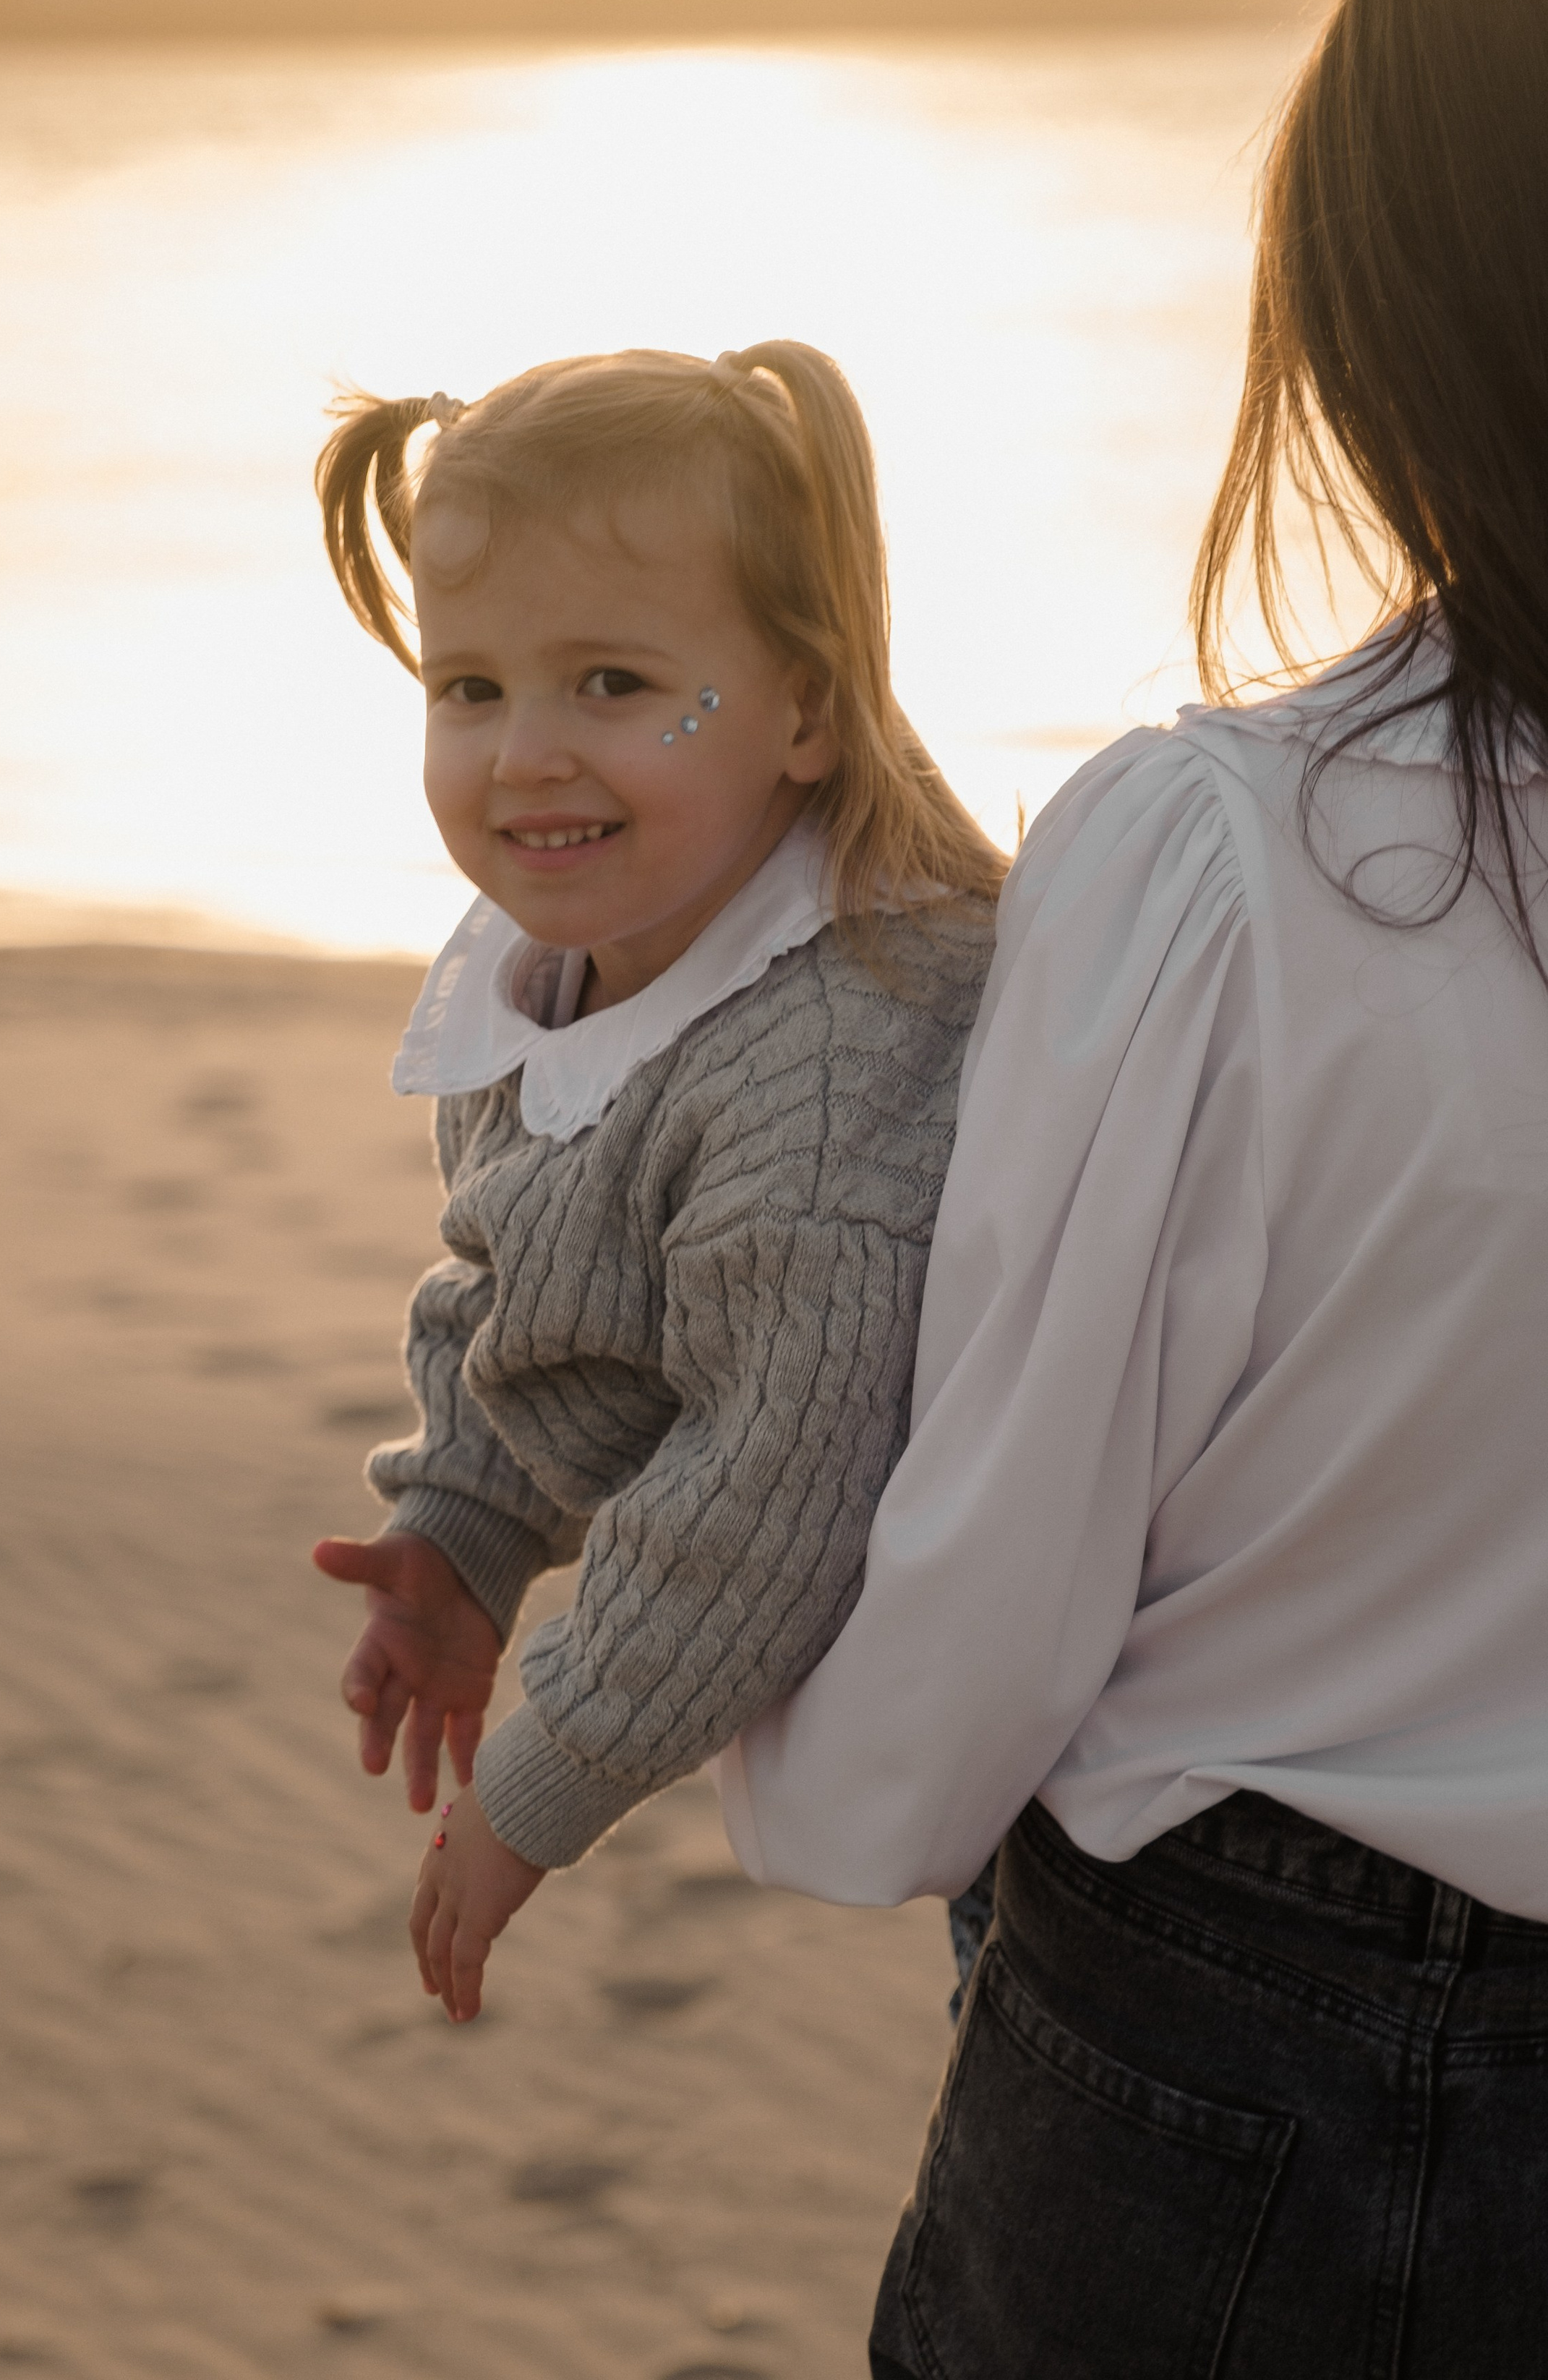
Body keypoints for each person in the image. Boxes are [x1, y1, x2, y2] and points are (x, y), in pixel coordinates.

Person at [719, 0, 1548, 2376]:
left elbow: (1007, 1551)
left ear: (1383, 322)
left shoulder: (1234, 855)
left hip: (1260, 2028)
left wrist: (818, 1773)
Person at [308, 343, 1003, 2022]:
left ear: (804, 711)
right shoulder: (559, 958)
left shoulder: (829, 1065)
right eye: (466, 689)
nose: (523, 755)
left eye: (613, 685)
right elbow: (520, 1281)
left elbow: (762, 1495)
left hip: (1067, 1711)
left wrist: (535, 1792)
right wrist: (466, 1532)